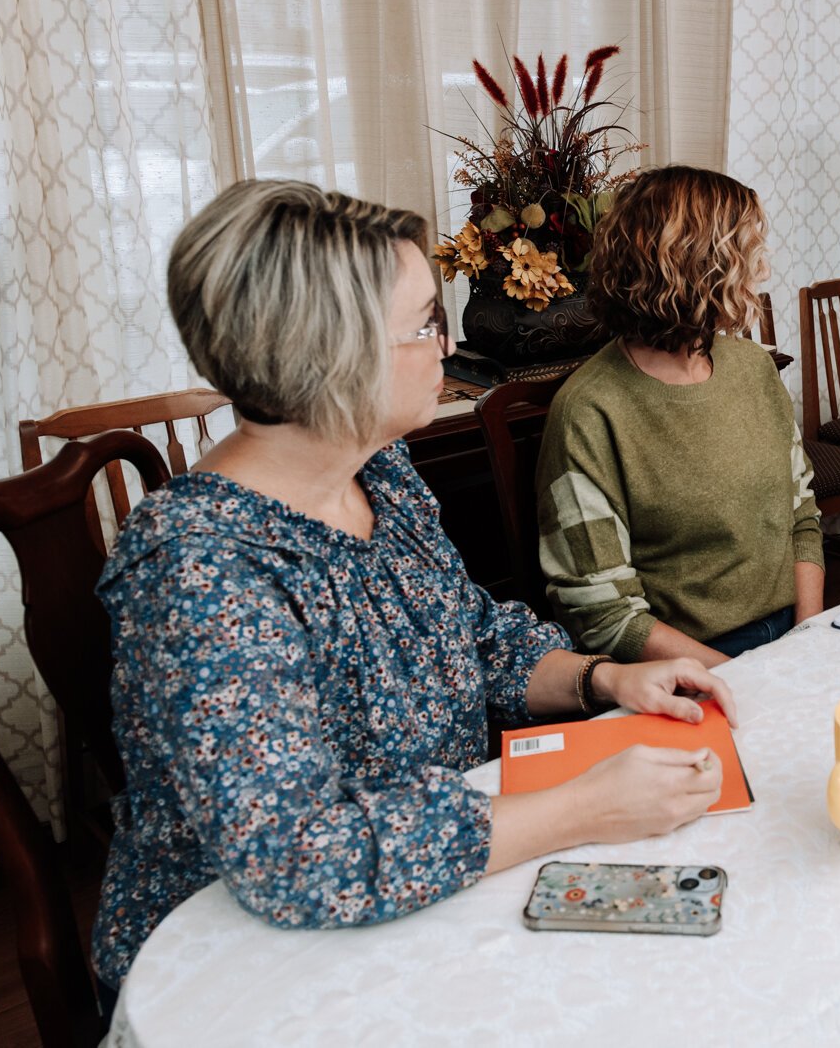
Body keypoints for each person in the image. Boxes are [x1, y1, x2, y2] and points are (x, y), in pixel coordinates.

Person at [92, 179, 737, 992]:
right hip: (249, 960)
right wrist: (585, 807)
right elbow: (297, 861)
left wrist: (602, 677)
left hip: (435, 881)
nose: (446, 348)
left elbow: (470, 633)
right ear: (332, 358)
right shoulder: (200, 570)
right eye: (424, 325)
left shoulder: (379, 471)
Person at [534, 166, 824, 668]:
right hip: (689, 663)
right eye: (747, 252)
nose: (761, 272)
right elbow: (605, 612)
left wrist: (810, 640)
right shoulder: (590, 410)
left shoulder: (754, 368)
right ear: (697, 266)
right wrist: (744, 677)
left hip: (795, 635)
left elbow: (802, 519)